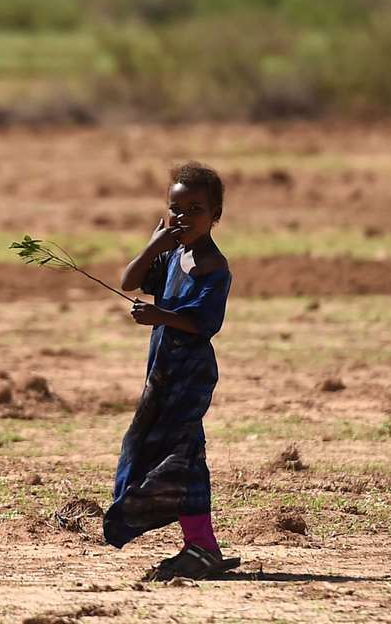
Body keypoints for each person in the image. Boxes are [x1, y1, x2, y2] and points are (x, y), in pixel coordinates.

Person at [103, 160, 238, 580]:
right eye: (177, 209)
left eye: (196, 208)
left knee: (181, 456)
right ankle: (201, 546)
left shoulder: (213, 267)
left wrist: (162, 314)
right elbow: (129, 280)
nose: (185, 217)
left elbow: (204, 323)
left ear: (215, 215)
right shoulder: (173, 255)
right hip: (162, 370)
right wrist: (153, 247)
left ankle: (201, 547)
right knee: (177, 455)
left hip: (190, 372)